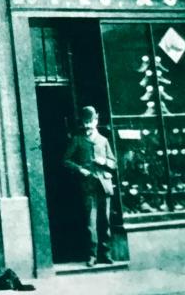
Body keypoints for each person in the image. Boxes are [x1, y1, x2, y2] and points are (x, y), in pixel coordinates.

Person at [64, 105, 117, 267]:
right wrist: (80, 169)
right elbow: (65, 160)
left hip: (104, 186)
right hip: (88, 187)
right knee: (90, 223)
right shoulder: (77, 140)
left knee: (105, 221)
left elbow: (114, 163)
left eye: (91, 121)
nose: (88, 125)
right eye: (85, 122)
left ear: (96, 121)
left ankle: (106, 253)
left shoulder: (103, 140)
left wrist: (104, 162)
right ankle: (92, 255)